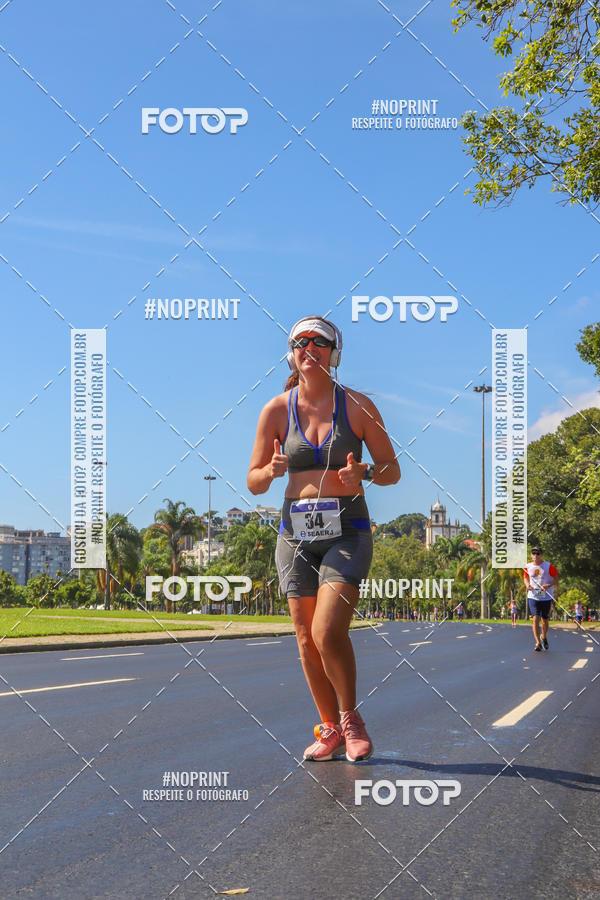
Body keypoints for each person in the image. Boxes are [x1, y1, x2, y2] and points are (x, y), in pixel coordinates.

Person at [247, 315, 400, 762]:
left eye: (319, 342)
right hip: (294, 535)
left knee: (327, 631)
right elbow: (254, 481)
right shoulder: (276, 410)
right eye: (299, 343)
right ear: (292, 353)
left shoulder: (358, 406)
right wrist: (271, 471)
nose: (308, 348)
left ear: (335, 354)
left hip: (347, 533)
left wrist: (365, 472)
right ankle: (329, 728)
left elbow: (393, 471)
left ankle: (351, 719)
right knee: (304, 637)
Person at [524, 546, 559, 651]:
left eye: (538, 553)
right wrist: (527, 585)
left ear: (541, 555)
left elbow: (556, 578)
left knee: (544, 620)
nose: (535, 555)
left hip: (546, 597)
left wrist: (548, 585)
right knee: (535, 619)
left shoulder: (548, 566)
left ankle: (543, 636)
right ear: (531, 555)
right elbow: (525, 578)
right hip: (533, 596)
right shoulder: (528, 566)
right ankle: (537, 642)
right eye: (533, 553)